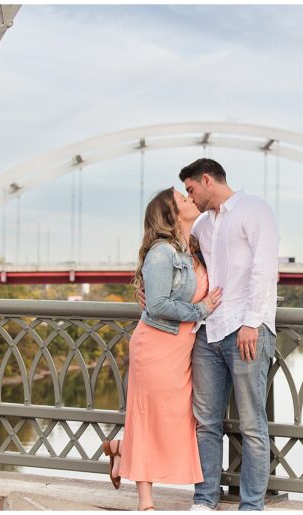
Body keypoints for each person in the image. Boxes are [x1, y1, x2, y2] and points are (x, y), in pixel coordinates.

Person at [102, 187, 223, 511]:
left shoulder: (192, 249)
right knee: (147, 417)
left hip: (182, 349)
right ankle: (145, 502)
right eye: (182, 199)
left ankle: (120, 449)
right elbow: (156, 304)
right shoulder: (161, 252)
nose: (189, 199)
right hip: (156, 346)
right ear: (170, 214)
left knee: (174, 419)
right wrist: (202, 311)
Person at [180, 158, 280, 511]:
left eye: (191, 190)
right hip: (209, 332)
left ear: (207, 180)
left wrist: (252, 322)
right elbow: (181, 265)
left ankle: (252, 505)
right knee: (206, 422)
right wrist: (144, 288)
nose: (190, 199)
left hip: (245, 329)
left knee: (252, 424)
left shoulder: (255, 210)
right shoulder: (202, 227)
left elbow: (264, 269)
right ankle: (205, 499)